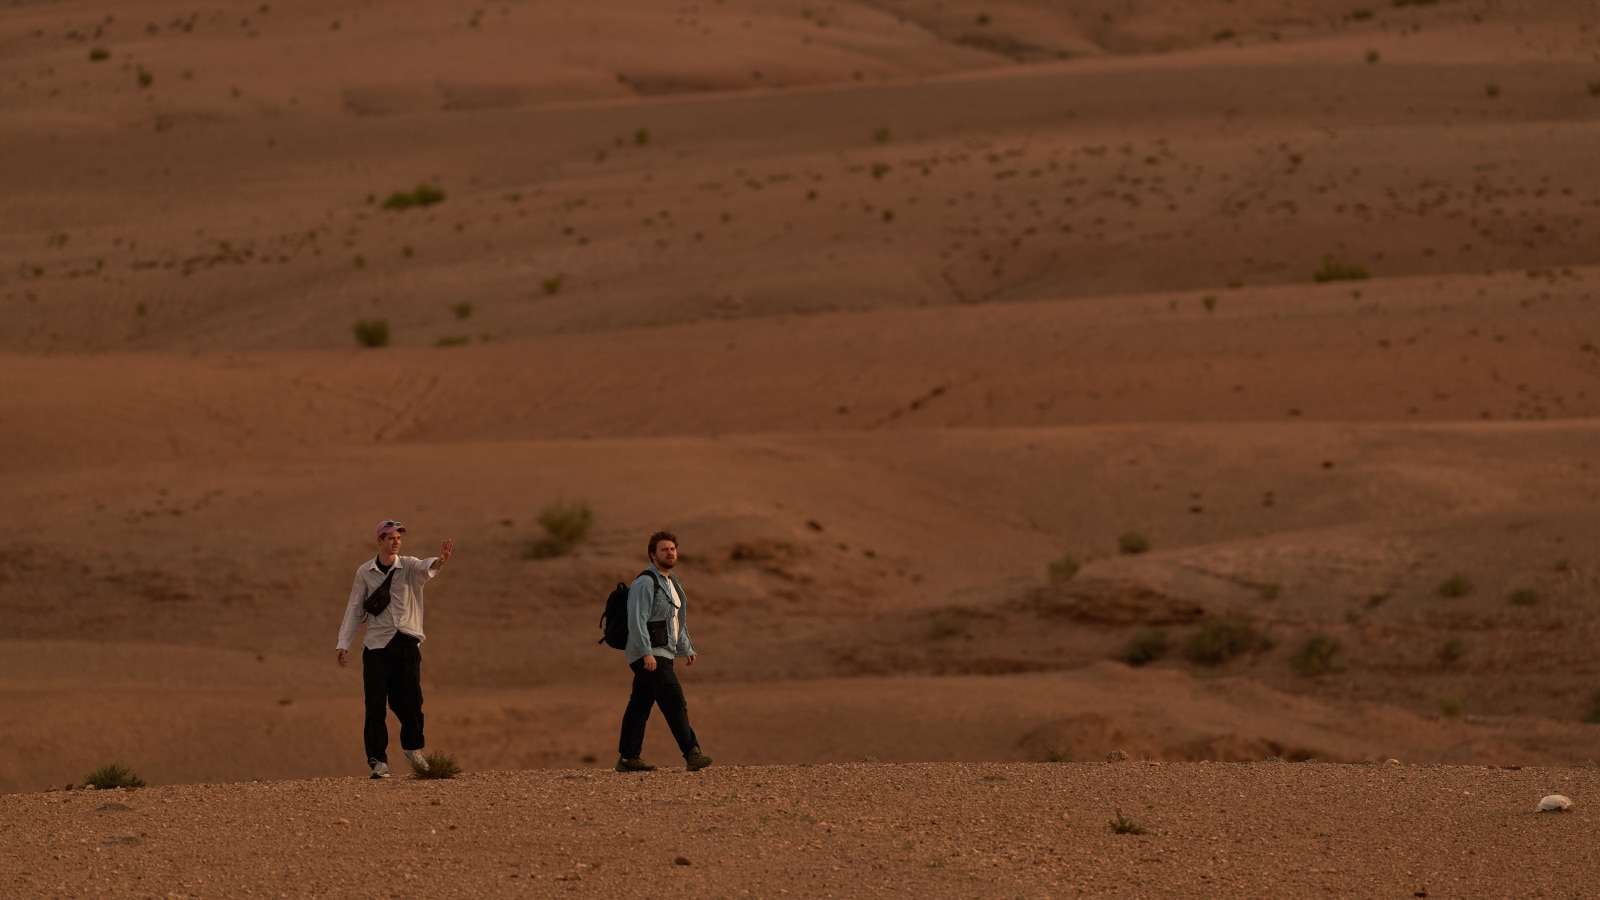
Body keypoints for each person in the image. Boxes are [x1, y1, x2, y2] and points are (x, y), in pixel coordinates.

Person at [335, 519, 454, 779]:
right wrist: (344, 642)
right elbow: (355, 608)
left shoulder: (409, 566)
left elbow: (427, 566)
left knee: (411, 702)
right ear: (380, 540)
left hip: (406, 644)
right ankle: (378, 762)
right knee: (375, 704)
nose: (396, 541)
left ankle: (413, 749)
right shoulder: (365, 572)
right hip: (376, 647)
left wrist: (440, 561)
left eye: (399, 537)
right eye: (390, 537)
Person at [616, 531, 712, 773]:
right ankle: (692, 753)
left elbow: (677, 620)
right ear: (652, 554)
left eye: (672, 549)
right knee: (674, 700)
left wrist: (686, 647)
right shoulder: (645, 582)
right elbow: (636, 620)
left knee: (640, 704)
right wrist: (646, 652)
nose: (670, 553)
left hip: (664, 653)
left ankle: (628, 758)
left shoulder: (672, 582)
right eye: (664, 550)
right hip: (649, 654)